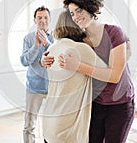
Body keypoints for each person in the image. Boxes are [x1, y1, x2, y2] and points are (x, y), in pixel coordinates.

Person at [41, 0, 135, 143]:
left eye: (79, 10)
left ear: (91, 7)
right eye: (72, 13)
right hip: (95, 103)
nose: (76, 17)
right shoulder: (80, 42)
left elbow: (115, 75)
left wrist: (78, 66)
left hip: (120, 104)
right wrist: (43, 60)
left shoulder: (114, 33)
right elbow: (60, 49)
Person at [42, 10, 107, 143]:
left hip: (48, 122)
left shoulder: (51, 49)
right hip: (67, 128)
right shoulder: (82, 49)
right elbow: (106, 72)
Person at [20, 6, 54, 143]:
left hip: (53, 87)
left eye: (45, 17)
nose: (43, 20)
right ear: (34, 20)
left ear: (49, 19)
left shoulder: (57, 37)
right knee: (29, 124)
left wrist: (47, 43)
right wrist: (36, 46)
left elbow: (58, 57)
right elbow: (24, 61)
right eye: (39, 17)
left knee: (51, 124)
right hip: (34, 87)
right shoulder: (28, 38)